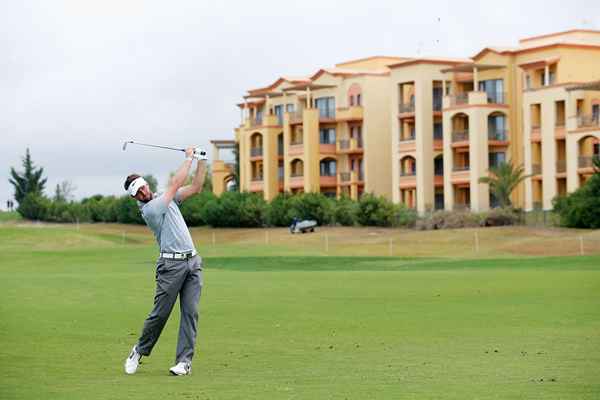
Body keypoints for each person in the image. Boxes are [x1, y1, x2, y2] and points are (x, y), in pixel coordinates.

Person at [123, 146, 207, 376]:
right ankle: (139, 350)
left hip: (192, 262)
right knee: (160, 314)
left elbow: (196, 187)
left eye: (143, 187)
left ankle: (184, 362)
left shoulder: (165, 198)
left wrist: (202, 161)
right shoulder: (150, 209)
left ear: (146, 184)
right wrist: (189, 157)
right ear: (134, 198)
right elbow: (175, 184)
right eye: (137, 193)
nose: (142, 193)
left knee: (190, 313)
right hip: (170, 267)